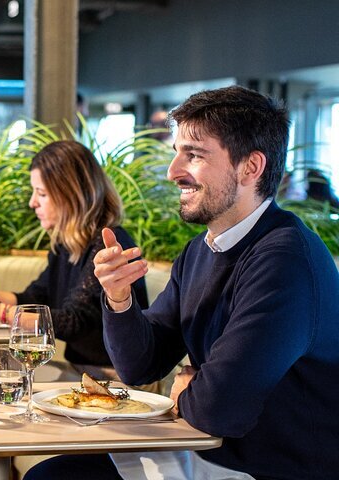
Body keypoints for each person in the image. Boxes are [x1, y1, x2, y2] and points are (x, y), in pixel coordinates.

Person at [28, 85, 339, 479]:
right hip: (204, 452)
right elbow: (140, 365)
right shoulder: (200, 250)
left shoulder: (286, 260)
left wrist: (188, 389)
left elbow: (218, 409)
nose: (173, 171)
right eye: (177, 152)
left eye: (193, 155)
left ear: (250, 167)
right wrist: (120, 298)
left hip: (264, 469)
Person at [0, 140, 149, 381]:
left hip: (116, 378)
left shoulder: (107, 244)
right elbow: (33, 298)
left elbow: (73, 322)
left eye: (41, 193)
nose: (33, 202)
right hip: (83, 372)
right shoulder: (67, 243)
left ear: (70, 194)